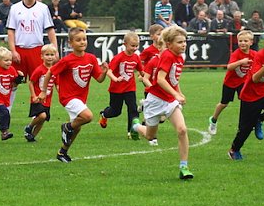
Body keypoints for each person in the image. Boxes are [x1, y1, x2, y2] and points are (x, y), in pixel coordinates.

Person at [128, 26, 193, 179]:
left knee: (182, 130)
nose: (183, 45)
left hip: (169, 101)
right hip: (155, 100)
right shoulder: (167, 56)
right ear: (169, 44)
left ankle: (184, 167)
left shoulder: (180, 57)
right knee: (150, 136)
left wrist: (179, 92)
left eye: (184, 41)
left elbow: (173, 79)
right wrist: (176, 94)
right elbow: (160, 80)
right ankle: (136, 126)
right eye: (179, 42)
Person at [43, 27, 108, 163]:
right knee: (88, 116)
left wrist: (104, 72)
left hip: (80, 98)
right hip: (68, 97)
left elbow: (99, 80)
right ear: (70, 43)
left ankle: (62, 152)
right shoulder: (67, 60)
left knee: (76, 128)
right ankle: (66, 127)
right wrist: (44, 91)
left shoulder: (91, 58)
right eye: (78, 40)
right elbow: (50, 73)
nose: (82, 42)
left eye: (84, 39)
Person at [226, 30, 264, 160]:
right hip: (250, 94)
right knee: (245, 128)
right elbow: (255, 78)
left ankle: (259, 119)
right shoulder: (259, 56)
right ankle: (234, 150)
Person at [7, 0, 59, 91]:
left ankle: (38, 108)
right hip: (19, 50)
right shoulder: (15, 8)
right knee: (12, 83)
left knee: (38, 83)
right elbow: (11, 31)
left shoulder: (43, 8)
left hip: (36, 50)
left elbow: (50, 30)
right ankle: (6, 108)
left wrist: (55, 49)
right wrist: (13, 50)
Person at [208, 29, 255, 136]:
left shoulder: (254, 54)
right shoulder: (236, 54)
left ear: (251, 42)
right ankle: (213, 120)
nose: (242, 43)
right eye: (240, 41)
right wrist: (241, 62)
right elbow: (229, 67)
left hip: (243, 83)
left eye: (245, 41)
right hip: (230, 83)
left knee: (247, 102)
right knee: (224, 103)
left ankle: (246, 124)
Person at [99, 31, 145, 136]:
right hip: (116, 89)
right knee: (115, 111)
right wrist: (115, 79)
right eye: (132, 46)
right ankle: (104, 114)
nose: (135, 48)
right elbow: (109, 71)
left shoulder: (136, 57)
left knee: (133, 108)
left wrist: (145, 77)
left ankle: (131, 131)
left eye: (137, 46)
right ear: (125, 45)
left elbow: (141, 71)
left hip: (130, 88)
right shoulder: (118, 57)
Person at [25, 44, 58, 142]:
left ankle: (32, 136)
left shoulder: (55, 70)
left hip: (47, 100)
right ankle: (29, 127)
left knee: (43, 119)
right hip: (38, 98)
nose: (49, 57)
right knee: (42, 115)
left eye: (52, 55)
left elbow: (57, 84)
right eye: (47, 54)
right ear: (42, 56)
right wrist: (33, 96)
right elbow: (31, 82)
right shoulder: (39, 69)